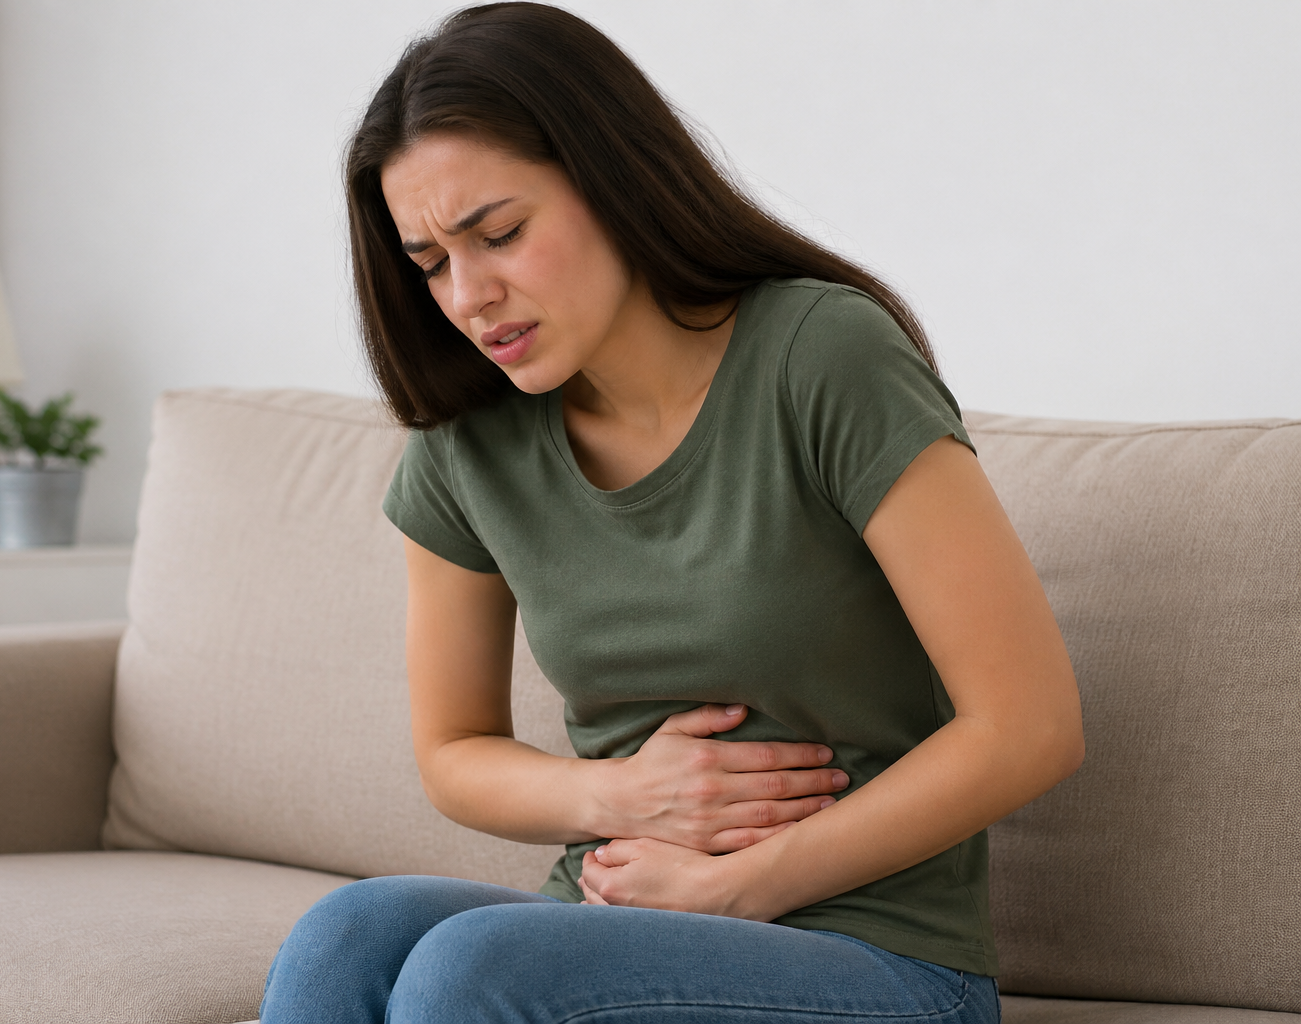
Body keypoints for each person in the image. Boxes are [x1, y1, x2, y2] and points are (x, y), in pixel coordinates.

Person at [260, 4, 1083, 1021]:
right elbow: (454, 751)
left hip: (879, 954)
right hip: (614, 922)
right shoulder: (467, 441)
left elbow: (1030, 725)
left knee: (471, 971)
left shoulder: (821, 357)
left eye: (500, 234)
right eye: (430, 262)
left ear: (611, 177)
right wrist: (621, 796)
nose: (469, 295)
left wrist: (739, 885)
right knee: (348, 935)